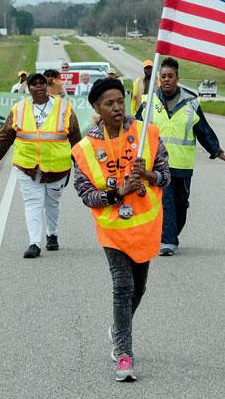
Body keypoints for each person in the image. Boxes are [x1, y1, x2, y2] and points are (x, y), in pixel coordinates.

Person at [72, 78, 170, 382]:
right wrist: (116, 193)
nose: (116, 108)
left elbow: (166, 177)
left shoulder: (146, 134)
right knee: (123, 288)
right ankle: (125, 353)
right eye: (108, 103)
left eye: (120, 101)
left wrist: (149, 174)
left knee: (138, 289)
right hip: (112, 230)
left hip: (144, 227)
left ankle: (117, 329)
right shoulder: (85, 148)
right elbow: (86, 194)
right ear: (97, 108)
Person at [135, 57, 225, 256]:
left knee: (181, 204)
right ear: (159, 79)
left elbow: (202, 129)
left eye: (170, 76)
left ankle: (171, 234)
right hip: (159, 165)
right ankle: (167, 241)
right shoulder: (149, 102)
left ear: (177, 78)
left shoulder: (191, 102)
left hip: (183, 164)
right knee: (166, 201)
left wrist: (217, 150)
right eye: (163, 76)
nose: (166, 79)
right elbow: (134, 129)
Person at [0, 73, 82, 258]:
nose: (39, 87)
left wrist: (81, 164)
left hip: (57, 167)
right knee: (33, 202)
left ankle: (52, 234)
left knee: (52, 202)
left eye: (42, 83)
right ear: (28, 88)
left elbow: (75, 138)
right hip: (27, 166)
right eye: (34, 84)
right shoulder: (19, 109)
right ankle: (34, 243)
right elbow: (4, 136)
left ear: (46, 86)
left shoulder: (64, 108)